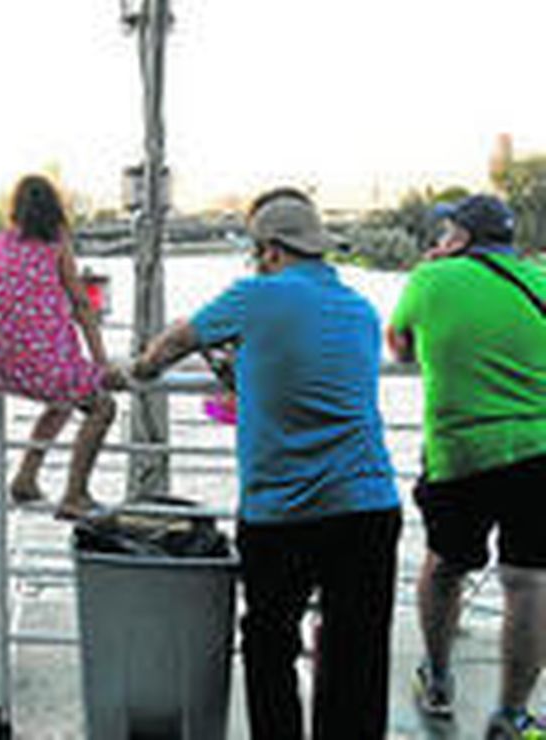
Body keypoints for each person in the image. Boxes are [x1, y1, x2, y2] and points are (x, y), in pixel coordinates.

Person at [118, 190, 402, 738]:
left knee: (270, 647)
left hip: (283, 513)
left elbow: (176, 341)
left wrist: (142, 366)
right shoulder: (362, 311)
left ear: (270, 251)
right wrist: (246, 367)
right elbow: (304, 370)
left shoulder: (256, 296)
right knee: (357, 656)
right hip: (367, 507)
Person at [386, 194, 546, 739]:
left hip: (460, 453)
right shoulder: (540, 281)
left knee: (446, 566)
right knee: (527, 581)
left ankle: (436, 680)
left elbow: (400, 347)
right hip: (538, 451)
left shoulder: (432, 279)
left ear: (459, 237)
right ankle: (512, 716)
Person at [0, 174, 116, 519]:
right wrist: (101, 363)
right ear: (54, 211)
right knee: (102, 407)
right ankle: (75, 495)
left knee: (64, 397)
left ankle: (26, 477)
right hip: (40, 364)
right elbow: (82, 304)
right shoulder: (56, 244)